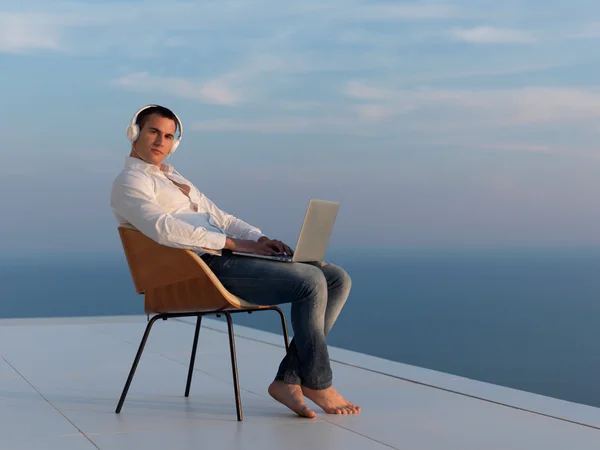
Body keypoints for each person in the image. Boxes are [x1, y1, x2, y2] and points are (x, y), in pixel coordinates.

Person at [110, 104, 360, 417]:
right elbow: (164, 229)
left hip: (227, 257)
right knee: (310, 282)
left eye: (169, 136)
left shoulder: (174, 178)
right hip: (203, 270)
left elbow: (222, 218)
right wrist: (230, 243)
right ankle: (319, 382)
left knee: (336, 277)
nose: (161, 141)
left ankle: (289, 380)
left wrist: (257, 239)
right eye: (153, 132)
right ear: (134, 133)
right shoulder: (130, 182)